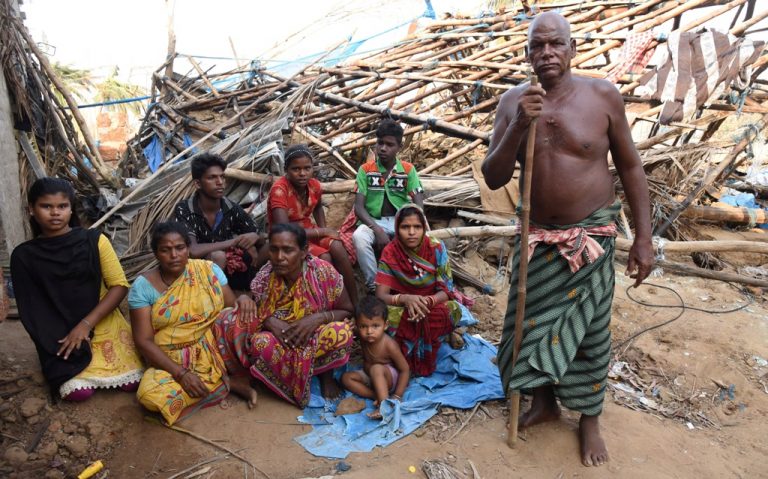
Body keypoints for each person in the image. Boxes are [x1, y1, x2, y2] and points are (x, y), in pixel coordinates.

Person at [481, 12, 654, 467]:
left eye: (556, 44)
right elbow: (494, 176)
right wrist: (519, 124)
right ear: (526, 54)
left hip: (591, 237)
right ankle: (542, 402)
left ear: (572, 48)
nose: (547, 54)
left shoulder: (602, 96)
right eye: (537, 46)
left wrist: (644, 239)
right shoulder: (512, 102)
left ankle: (589, 419)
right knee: (528, 324)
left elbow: (632, 168)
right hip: (535, 237)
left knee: (591, 333)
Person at [10, 178, 144, 401]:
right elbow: (33, 310)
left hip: (102, 322)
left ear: (71, 208)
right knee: (79, 393)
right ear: (31, 209)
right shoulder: (24, 256)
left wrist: (85, 325)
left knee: (132, 384)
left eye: (62, 206)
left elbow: (119, 286)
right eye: (46, 206)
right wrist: (54, 339)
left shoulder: (95, 240)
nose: (55, 213)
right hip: (59, 331)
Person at [128, 221, 258, 425]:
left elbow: (229, 309)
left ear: (188, 249)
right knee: (150, 396)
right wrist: (181, 374)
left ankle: (226, 375)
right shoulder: (142, 287)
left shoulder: (207, 270)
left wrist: (242, 299)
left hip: (213, 348)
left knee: (240, 318)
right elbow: (144, 341)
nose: (174, 255)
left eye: (180, 248)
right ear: (156, 254)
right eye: (165, 250)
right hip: (170, 358)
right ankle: (227, 384)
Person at [214, 223, 354, 407]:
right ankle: (284, 380)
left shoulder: (323, 272)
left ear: (303, 251)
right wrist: (268, 319)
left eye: (288, 250)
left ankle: (324, 375)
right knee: (249, 335)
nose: (279, 257)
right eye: (274, 250)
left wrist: (317, 319)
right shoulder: (266, 275)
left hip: (313, 336)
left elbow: (347, 309)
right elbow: (255, 307)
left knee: (341, 332)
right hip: (280, 339)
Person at [375, 204, 473, 377]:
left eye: (417, 227)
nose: (411, 232)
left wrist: (426, 302)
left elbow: (446, 290)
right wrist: (406, 299)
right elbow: (381, 296)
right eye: (405, 227)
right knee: (382, 318)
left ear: (424, 228)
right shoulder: (390, 252)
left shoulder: (436, 248)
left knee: (454, 310)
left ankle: (412, 352)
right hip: (402, 307)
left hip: (432, 304)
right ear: (397, 228)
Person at [339, 119, 424, 293]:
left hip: (399, 221)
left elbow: (418, 201)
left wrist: (415, 224)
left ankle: (409, 284)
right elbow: (359, 207)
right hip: (373, 221)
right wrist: (377, 230)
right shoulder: (366, 170)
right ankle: (373, 285)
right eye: (380, 143)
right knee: (359, 237)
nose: (383, 148)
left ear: (399, 147)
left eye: (389, 144)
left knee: (417, 241)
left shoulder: (408, 170)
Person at [268, 144, 358, 303]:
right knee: (324, 257)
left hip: (309, 230)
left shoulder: (314, 185)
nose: (302, 173)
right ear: (286, 170)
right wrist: (321, 232)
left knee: (337, 247)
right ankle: (325, 303)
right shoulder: (279, 190)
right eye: (296, 169)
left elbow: (317, 206)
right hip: (288, 238)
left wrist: (321, 228)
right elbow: (284, 231)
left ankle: (354, 300)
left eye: (307, 168)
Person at [174, 152, 265, 291]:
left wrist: (254, 237)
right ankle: (213, 302)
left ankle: (258, 291)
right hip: (198, 274)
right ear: (198, 184)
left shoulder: (230, 207)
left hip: (230, 269)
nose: (220, 182)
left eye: (222, 177)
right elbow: (193, 251)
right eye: (212, 178)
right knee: (218, 256)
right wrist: (235, 242)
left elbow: (258, 235)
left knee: (270, 247)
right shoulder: (185, 209)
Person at [341, 295, 410, 420]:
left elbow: (405, 370)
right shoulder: (363, 334)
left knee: (376, 368)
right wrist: (347, 326)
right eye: (363, 326)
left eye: (375, 326)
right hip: (370, 376)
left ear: (385, 325)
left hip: (388, 377)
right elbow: (351, 329)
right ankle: (377, 396)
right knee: (346, 378)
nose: (369, 331)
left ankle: (385, 406)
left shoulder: (389, 345)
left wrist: (397, 396)